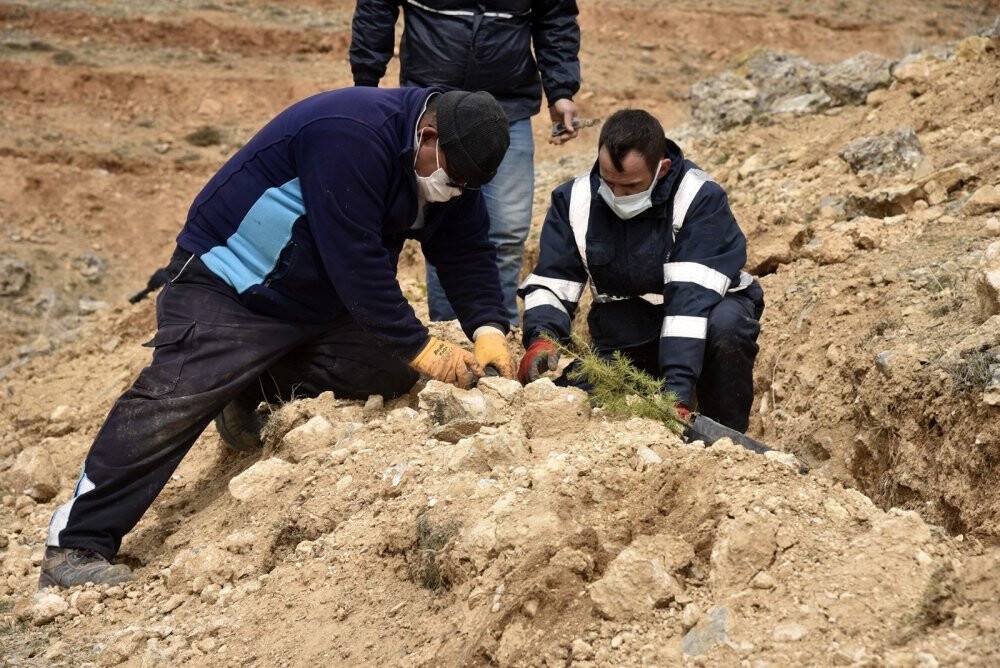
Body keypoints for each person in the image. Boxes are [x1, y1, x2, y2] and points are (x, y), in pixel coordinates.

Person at [39, 87, 517, 589]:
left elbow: (467, 251)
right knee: (175, 397)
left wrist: (488, 328)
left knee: (385, 369)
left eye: (467, 184)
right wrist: (421, 345)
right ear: (428, 136)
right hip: (232, 283)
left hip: (317, 297)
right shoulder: (350, 134)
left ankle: (248, 387)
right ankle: (76, 546)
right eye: (454, 177)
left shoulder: (451, 165)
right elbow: (356, 261)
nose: (455, 189)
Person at [517, 109, 764, 432]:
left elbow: (689, 304)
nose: (617, 196)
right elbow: (553, 281)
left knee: (727, 327)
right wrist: (542, 338)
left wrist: (677, 395)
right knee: (573, 402)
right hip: (627, 330)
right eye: (609, 183)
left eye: (631, 187)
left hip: (703, 320)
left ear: (662, 169)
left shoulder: (699, 199)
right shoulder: (574, 199)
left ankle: (721, 434)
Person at [350, 0, 582, 325]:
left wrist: (561, 89)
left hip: (507, 106)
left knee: (508, 230)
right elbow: (377, 6)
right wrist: (365, 81)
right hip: (434, 104)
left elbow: (555, 15)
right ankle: (451, 331)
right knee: (442, 223)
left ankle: (498, 330)